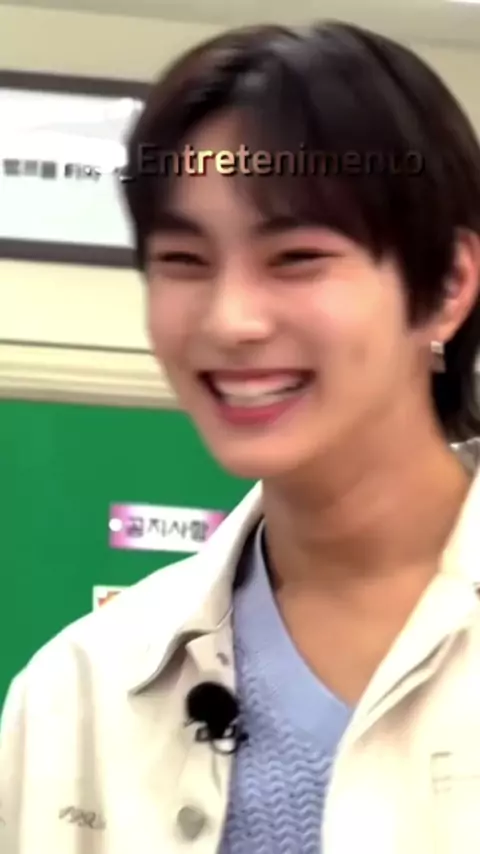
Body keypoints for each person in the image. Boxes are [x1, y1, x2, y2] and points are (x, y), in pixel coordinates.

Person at [2, 20, 480, 854]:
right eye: (183, 261)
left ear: (446, 284)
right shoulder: (75, 694)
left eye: (295, 257)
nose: (231, 321)